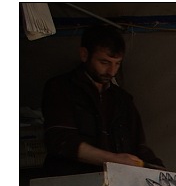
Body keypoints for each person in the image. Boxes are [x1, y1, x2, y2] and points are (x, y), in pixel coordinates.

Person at [42, 24, 164, 176]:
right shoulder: (61, 88)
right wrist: (114, 160)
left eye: (117, 63)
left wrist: (162, 171)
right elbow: (61, 141)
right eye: (104, 62)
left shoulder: (123, 100)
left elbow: (140, 148)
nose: (111, 71)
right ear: (84, 54)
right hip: (69, 185)